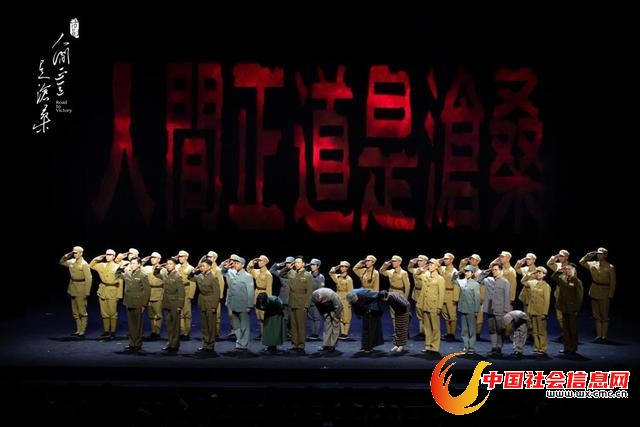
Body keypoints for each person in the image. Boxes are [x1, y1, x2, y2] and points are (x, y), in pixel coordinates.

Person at [579, 248, 616, 343]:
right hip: (594, 290)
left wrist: (610, 294)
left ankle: (604, 336)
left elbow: (613, 282)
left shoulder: (610, 267)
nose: (598, 255)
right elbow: (581, 262)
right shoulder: (593, 264)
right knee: (596, 315)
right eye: (598, 254)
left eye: (601, 254)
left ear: (605, 255)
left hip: (605, 291)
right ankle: (599, 336)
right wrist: (588, 256)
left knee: (604, 315)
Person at [115, 257, 151, 352]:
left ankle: (137, 344)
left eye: (134, 263)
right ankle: (132, 343)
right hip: (129, 302)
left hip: (138, 303)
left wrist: (144, 304)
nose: (132, 265)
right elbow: (117, 275)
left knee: (138, 325)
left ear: (139, 264)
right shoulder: (128, 273)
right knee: (131, 325)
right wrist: (121, 267)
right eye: (131, 263)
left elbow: (147, 291)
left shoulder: (143, 275)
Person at [279, 256, 314, 353]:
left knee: (301, 326)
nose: (296, 264)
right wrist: (287, 267)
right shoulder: (291, 272)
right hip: (292, 302)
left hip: (302, 303)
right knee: (293, 326)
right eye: (295, 262)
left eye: (298, 262)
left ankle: (301, 346)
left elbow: (309, 292)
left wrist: (306, 305)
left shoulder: (308, 275)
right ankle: (294, 344)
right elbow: (281, 274)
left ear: (303, 264)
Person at [221, 254, 255, 352]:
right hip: (234, 304)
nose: (235, 265)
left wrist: (249, 305)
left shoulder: (247, 276)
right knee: (236, 326)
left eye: (237, 263)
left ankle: (243, 345)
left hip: (243, 304)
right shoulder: (233, 274)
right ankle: (239, 343)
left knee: (244, 326)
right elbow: (223, 272)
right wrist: (225, 267)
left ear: (243, 265)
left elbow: (250, 292)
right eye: (235, 263)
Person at [59, 246, 92, 338]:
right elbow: (61, 262)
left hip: (81, 288)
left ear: (81, 253)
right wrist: (67, 255)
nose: (74, 254)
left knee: (82, 311)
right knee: (75, 311)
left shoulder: (84, 264)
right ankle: (78, 330)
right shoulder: (72, 261)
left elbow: (89, 278)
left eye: (76, 253)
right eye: (74, 253)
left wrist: (87, 291)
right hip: (73, 288)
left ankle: (82, 331)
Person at [89, 249, 123, 339]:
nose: (108, 256)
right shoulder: (102, 265)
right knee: (104, 312)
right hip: (103, 290)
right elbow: (90, 266)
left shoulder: (118, 267)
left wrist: (119, 295)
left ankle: (113, 332)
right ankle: (106, 331)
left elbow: (120, 281)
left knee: (113, 313)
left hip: (113, 290)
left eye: (110, 255)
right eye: (107, 254)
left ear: (114, 256)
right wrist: (97, 259)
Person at [551, 263, 584, 358]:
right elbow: (553, 278)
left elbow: (579, 297)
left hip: (572, 309)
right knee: (565, 330)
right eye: (566, 269)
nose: (567, 271)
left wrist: (577, 309)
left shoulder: (576, 281)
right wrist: (558, 271)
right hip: (564, 308)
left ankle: (573, 349)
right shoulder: (563, 279)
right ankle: (566, 348)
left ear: (574, 270)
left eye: (569, 269)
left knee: (572, 329)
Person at [190, 259, 221, 353]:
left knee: (210, 325)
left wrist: (214, 306)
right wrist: (194, 271)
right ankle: (205, 343)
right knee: (204, 325)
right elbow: (190, 278)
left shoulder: (213, 277)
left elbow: (216, 293)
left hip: (210, 302)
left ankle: (210, 345)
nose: (202, 268)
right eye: (201, 266)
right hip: (202, 301)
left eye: (204, 266)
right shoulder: (200, 276)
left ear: (209, 267)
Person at [155, 257, 185, 352]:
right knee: (169, 325)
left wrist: (180, 305)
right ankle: (170, 342)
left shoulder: (177, 276)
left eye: (170, 264)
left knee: (175, 325)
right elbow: (156, 274)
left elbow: (181, 292)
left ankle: (175, 345)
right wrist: (157, 268)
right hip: (166, 302)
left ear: (175, 265)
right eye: (167, 264)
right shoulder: (165, 274)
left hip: (175, 303)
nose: (168, 265)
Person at [521, 266, 551, 356]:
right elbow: (523, 281)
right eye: (537, 272)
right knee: (535, 331)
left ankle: (543, 348)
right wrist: (529, 274)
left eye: (540, 273)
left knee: (541, 331)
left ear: (544, 275)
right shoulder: (532, 282)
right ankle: (537, 347)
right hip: (533, 310)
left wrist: (545, 313)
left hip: (541, 311)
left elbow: (547, 300)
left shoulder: (546, 286)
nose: (538, 274)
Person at [482, 264, 510, 357]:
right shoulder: (488, 280)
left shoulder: (505, 282)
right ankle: (494, 347)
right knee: (492, 329)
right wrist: (485, 272)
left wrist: (506, 310)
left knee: (500, 330)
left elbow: (507, 297)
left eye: (496, 269)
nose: (494, 271)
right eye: (493, 270)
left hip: (500, 309)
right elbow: (478, 280)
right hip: (490, 308)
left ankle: (499, 348)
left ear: (501, 270)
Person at [419, 258, 445, 356]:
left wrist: (439, 307)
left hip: (434, 305)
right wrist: (421, 269)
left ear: (437, 266)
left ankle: (435, 348)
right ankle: (428, 346)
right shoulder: (425, 275)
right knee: (427, 327)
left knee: (435, 328)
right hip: (426, 304)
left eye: (432, 264)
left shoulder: (440, 279)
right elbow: (416, 275)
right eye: (429, 264)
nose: (429, 266)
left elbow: (441, 294)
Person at [347, 288, 384, 353]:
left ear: (356, 297)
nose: (354, 302)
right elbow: (356, 306)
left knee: (371, 329)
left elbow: (377, 297)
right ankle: (365, 346)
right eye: (352, 301)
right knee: (365, 329)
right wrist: (359, 315)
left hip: (373, 311)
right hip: (366, 311)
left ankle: (369, 347)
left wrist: (370, 310)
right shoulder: (352, 298)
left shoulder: (366, 295)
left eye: (354, 300)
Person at [454, 265, 481, 354]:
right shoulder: (462, 281)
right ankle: (466, 346)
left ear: (472, 273)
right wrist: (456, 274)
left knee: (471, 329)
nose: (467, 273)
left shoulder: (475, 284)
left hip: (471, 309)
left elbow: (477, 298)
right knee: (464, 330)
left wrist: (476, 310)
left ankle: (471, 347)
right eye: (466, 271)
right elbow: (454, 281)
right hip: (463, 308)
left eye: (468, 272)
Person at [379, 255, 410, 331]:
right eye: (392, 261)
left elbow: (407, 286)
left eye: (394, 261)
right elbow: (381, 271)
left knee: (401, 313)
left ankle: (402, 331)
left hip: (399, 293)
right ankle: (396, 331)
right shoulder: (390, 271)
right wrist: (386, 265)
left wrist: (405, 298)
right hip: (391, 292)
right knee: (393, 313)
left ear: (399, 262)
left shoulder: (403, 273)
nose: (393, 262)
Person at [247, 255, 273, 338]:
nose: (259, 262)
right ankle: (262, 333)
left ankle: (267, 333)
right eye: (258, 261)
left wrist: (268, 300)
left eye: (260, 261)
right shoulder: (257, 271)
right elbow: (249, 270)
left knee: (264, 316)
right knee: (258, 316)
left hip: (264, 294)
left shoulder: (268, 274)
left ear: (265, 262)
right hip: (257, 294)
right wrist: (252, 262)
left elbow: (269, 289)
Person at [311, 287, 343, 352]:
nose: (320, 301)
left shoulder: (330, 294)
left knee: (335, 325)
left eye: (321, 300)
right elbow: (318, 307)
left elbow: (338, 306)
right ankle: (326, 345)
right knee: (327, 326)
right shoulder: (314, 296)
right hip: (325, 308)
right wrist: (323, 314)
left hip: (335, 308)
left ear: (321, 296)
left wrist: (337, 317)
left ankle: (332, 345)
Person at [141, 252, 164, 340]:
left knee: (158, 315)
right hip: (148, 292)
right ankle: (153, 331)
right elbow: (137, 267)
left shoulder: (163, 269)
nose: (152, 259)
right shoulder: (147, 268)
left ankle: (157, 332)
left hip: (158, 292)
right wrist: (143, 261)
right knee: (151, 315)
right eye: (151, 258)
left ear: (159, 259)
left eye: (154, 258)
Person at [329, 261, 354, 339]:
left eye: (344, 267)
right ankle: (342, 332)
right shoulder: (338, 276)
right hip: (338, 297)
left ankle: (345, 333)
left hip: (346, 298)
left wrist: (350, 301)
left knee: (346, 316)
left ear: (347, 268)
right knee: (339, 315)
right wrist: (336, 267)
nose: (342, 268)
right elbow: (331, 273)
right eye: (341, 266)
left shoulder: (349, 279)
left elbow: (351, 291)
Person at [176, 250, 196, 340]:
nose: (180, 258)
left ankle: (187, 332)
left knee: (187, 313)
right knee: (179, 312)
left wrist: (191, 295)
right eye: (179, 256)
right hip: (177, 291)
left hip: (186, 291)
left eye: (182, 256)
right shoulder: (176, 267)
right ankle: (182, 330)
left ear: (186, 257)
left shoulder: (190, 268)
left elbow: (193, 282)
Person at [307, 258, 325, 340]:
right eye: (311, 264)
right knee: (311, 317)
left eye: (314, 265)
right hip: (308, 298)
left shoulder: (320, 277)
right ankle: (313, 333)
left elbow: (321, 290)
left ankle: (315, 334)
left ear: (318, 266)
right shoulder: (308, 274)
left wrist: (319, 300)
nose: (312, 266)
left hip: (316, 299)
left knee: (316, 317)